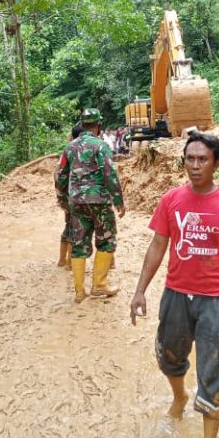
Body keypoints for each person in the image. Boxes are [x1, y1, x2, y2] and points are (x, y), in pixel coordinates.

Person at [129, 131, 219, 438]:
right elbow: (158, 246)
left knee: (215, 369)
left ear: (217, 163)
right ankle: (179, 396)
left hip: (216, 300)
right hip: (176, 295)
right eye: (190, 159)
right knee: (168, 357)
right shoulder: (171, 200)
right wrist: (140, 290)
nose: (195, 165)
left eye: (203, 159)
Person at [54, 108, 126, 303]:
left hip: (76, 201)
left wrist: (62, 199)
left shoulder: (69, 148)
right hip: (99, 201)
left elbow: (60, 175)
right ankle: (99, 285)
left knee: (78, 243)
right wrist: (118, 199)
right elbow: (109, 173)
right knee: (106, 241)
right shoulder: (101, 146)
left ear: (82, 124)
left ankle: (79, 291)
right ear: (99, 125)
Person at [56, 124, 83, 269]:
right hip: (80, 196)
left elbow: (58, 175)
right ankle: (70, 262)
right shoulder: (82, 150)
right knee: (77, 227)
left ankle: (63, 260)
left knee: (69, 225)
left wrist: (60, 197)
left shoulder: (67, 151)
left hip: (68, 195)